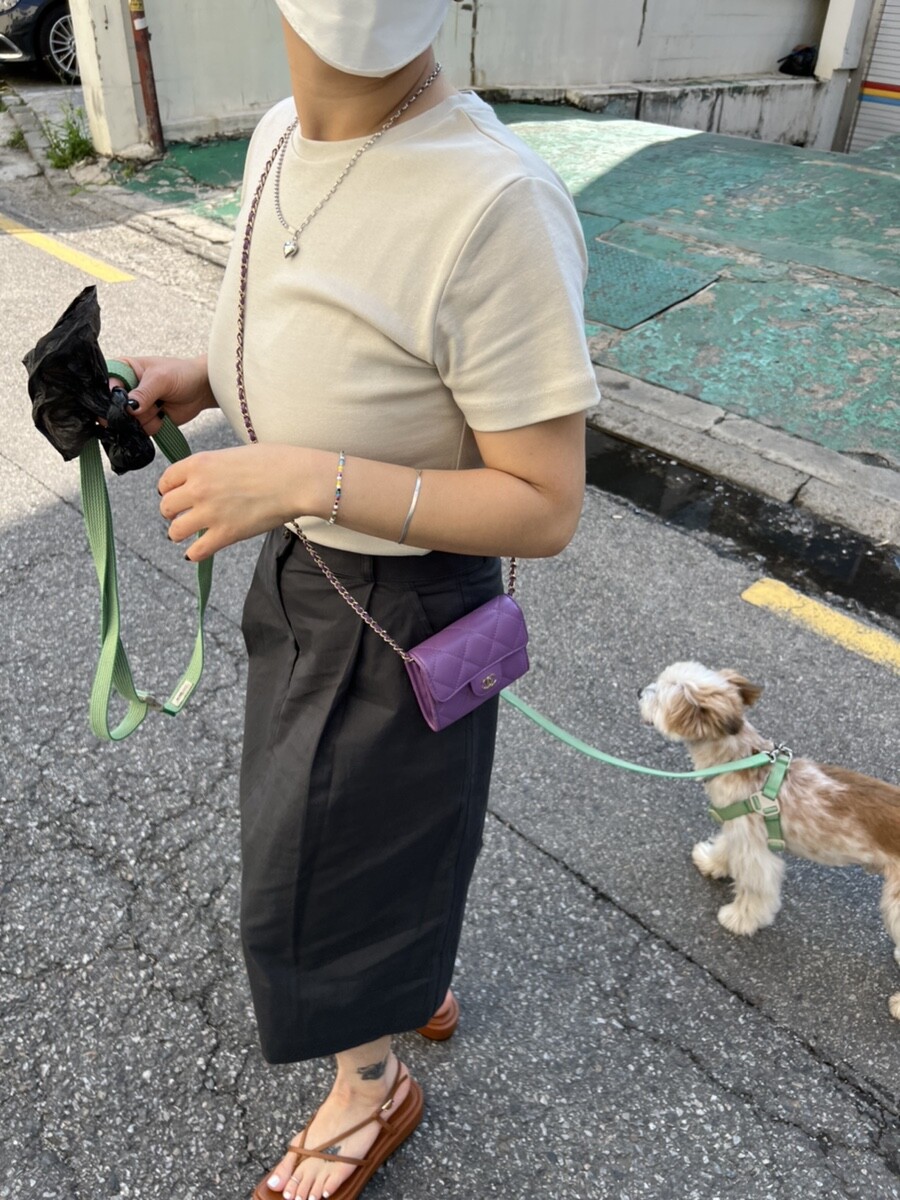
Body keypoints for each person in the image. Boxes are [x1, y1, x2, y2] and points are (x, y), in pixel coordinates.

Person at [118, 2, 599, 1197]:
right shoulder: (279, 132)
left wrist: (300, 477)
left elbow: (544, 505)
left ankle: (369, 1085)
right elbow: (335, 336)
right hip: (306, 565)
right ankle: (408, 977)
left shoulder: (497, 201)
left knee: (315, 862)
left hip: (409, 596)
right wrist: (210, 377)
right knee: (372, 835)